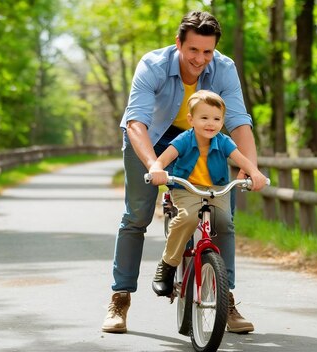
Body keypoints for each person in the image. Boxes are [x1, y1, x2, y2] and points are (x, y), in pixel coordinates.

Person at [102, 11, 266, 334]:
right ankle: (120, 298)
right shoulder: (153, 66)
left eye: (207, 52)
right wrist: (153, 165)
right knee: (136, 215)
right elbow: (136, 123)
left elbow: (238, 122)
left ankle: (224, 297)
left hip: (202, 140)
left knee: (223, 216)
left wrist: (253, 169)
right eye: (193, 50)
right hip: (151, 140)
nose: (200, 59)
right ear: (179, 44)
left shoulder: (224, 69)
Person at [146, 90, 267, 301]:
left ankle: (224, 283)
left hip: (217, 189)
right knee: (188, 218)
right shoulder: (184, 139)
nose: (210, 123)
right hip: (187, 189)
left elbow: (242, 159)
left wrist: (255, 173)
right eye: (204, 118)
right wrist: (157, 169)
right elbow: (162, 160)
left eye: (216, 119)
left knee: (225, 223)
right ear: (191, 120)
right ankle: (168, 264)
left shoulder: (224, 141)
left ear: (222, 122)